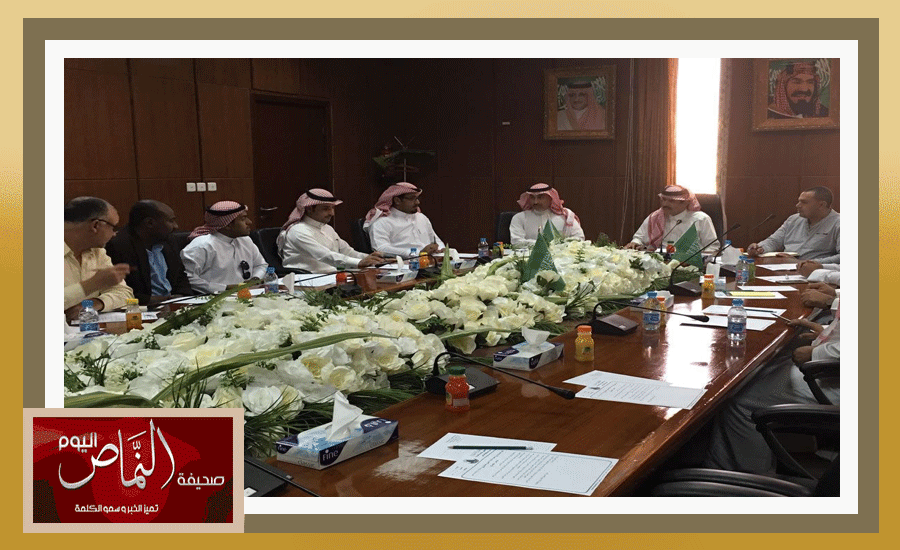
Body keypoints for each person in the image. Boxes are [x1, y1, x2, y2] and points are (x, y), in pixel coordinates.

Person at [704, 298, 840, 474]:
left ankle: (749, 481)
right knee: (769, 365)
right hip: (833, 367)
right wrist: (827, 332)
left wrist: (817, 352)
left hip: (834, 376)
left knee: (742, 400)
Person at [106, 200, 192, 306]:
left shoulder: (169, 240)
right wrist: (161, 300)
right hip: (140, 308)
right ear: (150, 223)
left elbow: (181, 276)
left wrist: (181, 296)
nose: (176, 226)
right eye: (171, 221)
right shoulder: (119, 246)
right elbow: (122, 291)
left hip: (172, 305)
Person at [277, 189, 384, 273]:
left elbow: (347, 252)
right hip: (307, 280)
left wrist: (375, 259)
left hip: (332, 276)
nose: (332, 213)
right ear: (309, 209)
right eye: (326, 208)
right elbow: (325, 255)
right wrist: (359, 262)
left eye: (332, 208)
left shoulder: (327, 228)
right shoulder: (297, 231)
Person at [64, 197, 134, 320]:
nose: (114, 234)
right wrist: (91, 285)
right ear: (95, 225)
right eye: (113, 228)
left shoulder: (97, 252)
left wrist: (93, 304)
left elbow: (124, 293)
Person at [180, 201, 267, 293]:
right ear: (228, 225)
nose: (249, 222)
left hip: (246, 294)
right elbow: (189, 279)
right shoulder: (202, 246)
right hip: (213, 297)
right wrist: (225, 288)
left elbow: (261, 265)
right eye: (243, 219)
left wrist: (254, 280)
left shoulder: (245, 240)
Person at [747, 186, 840, 263]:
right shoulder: (793, 219)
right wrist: (760, 248)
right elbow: (774, 241)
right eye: (799, 201)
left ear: (821, 205)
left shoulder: (838, 223)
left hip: (816, 272)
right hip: (784, 268)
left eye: (804, 202)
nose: (798, 205)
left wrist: (805, 263)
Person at [624, 185, 719, 253]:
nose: (665, 204)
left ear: (685, 203)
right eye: (663, 200)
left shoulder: (701, 219)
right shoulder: (655, 217)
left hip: (688, 264)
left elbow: (712, 247)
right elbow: (639, 238)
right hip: (657, 261)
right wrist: (634, 243)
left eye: (671, 201)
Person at [364, 182, 445, 258]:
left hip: (430, 261)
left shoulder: (421, 217)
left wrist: (441, 249)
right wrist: (417, 253)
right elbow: (381, 248)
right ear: (397, 200)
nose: (417, 202)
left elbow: (435, 239)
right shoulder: (382, 221)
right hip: (402, 264)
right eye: (412, 198)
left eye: (417, 198)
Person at [509, 183, 585, 246]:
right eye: (532, 198)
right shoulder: (519, 218)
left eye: (540, 197)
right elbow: (516, 242)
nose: (536, 202)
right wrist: (545, 245)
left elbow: (579, 238)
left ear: (550, 198)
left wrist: (560, 247)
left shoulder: (566, 216)